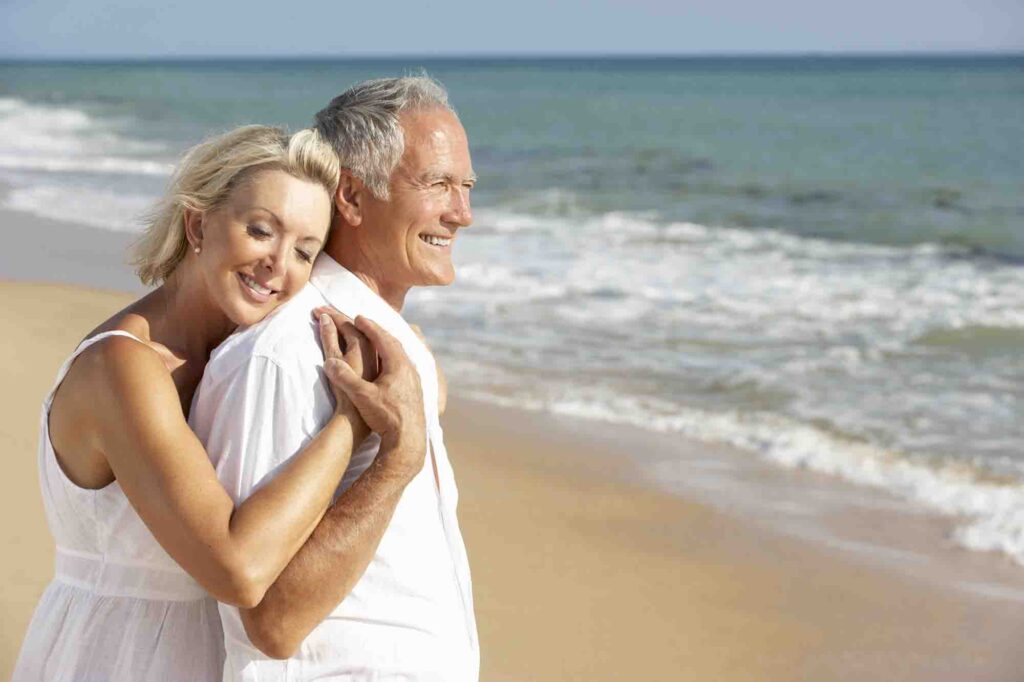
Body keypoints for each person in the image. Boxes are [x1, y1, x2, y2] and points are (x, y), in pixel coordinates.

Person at [12, 124, 421, 681]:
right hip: (118, 656)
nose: (278, 263)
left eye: (304, 250)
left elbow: (433, 387)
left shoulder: (234, 358)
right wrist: (353, 420)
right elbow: (239, 571)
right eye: (260, 230)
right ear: (198, 223)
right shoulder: (123, 367)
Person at [189, 75, 479, 680]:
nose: (462, 214)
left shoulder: (395, 345)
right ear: (350, 197)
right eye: (438, 185)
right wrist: (398, 456)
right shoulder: (283, 354)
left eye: (467, 187)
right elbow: (268, 623)